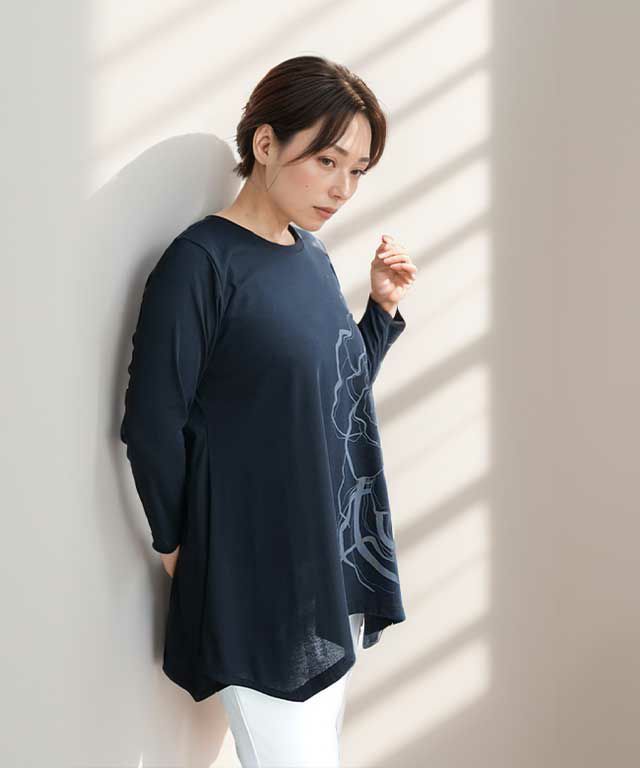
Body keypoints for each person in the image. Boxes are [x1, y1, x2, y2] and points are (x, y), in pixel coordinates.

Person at [120, 55, 418, 767]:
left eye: (357, 170)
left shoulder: (310, 255)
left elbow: (334, 395)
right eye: (327, 160)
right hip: (258, 573)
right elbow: (152, 422)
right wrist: (178, 547)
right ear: (264, 143)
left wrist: (379, 312)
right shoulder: (201, 262)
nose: (342, 188)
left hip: (327, 563)